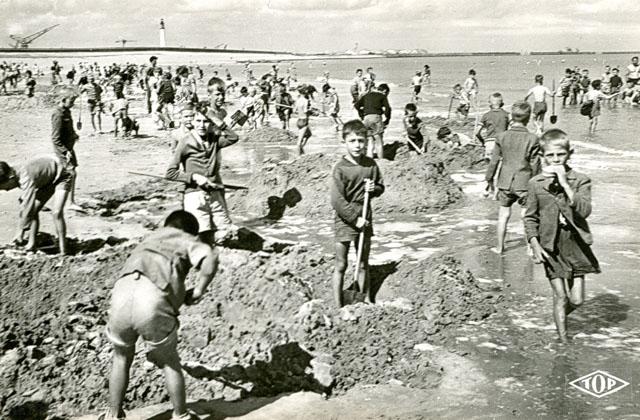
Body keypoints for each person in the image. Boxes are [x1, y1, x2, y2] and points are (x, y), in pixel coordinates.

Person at [103, 210, 218, 420]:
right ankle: (180, 415)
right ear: (191, 232)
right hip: (152, 299)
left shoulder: (150, 238)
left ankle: (113, 415)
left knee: (120, 358)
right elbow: (210, 257)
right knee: (169, 361)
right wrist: (200, 290)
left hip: (121, 294)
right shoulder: (186, 239)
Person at [524, 129, 599, 344]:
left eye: (561, 154)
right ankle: (563, 341)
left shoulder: (581, 180)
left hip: (575, 244)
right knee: (560, 296)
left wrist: (565, 184)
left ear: (570, 153)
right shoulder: (535, 183)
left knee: (577, 299)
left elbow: (584, 211)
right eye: (550, 155)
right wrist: (534, 243)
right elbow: (530, 217)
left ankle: (559, 319)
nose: (555, 159)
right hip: (550, 245)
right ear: (542, 156)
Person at [166, 80, 240, 244]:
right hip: (194, 178)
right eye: (217, 94)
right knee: (197, 222)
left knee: (221, 222)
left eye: (223, 94)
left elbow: (232, 135)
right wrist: (191, 177)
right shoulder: (190, 129)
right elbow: (173, 168)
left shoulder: (221, 113)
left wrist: (224, 121)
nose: (220, 97)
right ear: (209, 94)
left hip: (213, 165)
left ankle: (214, 234)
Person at [331, 120, 385, 307]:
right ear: (344, 141)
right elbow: (337, 201)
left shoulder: (371, 165)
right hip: (345, 220)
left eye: (361, 141)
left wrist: (375, 188)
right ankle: (338, 305)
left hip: (365, 216)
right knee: (341, 264)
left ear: (366, 142)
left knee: (363, 263)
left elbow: (380, 187)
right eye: (352, 141)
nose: (357, 145)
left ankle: (366, 299)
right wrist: (355, 219)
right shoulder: (340, 169)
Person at [485, 101, 540, 254]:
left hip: (505, 181)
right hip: (525, 182)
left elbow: (494, 161)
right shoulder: (533, 139)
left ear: (511, 117)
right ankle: (530, 248)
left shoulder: (501, 137)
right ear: (528, 119)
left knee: (503, 215)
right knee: (526, 216)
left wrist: (489, 179)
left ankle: (500, 247)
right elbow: (535, 165)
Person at [0, 156, 72, 254]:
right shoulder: (13, 172)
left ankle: (63, 251)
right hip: (46, 182)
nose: (6, 190)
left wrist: (20, 231)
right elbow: (26, 205)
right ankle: (31, 244)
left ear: (10, 178)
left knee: (57, 213)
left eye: (4, 188)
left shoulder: (25, 178)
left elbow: (28, 204)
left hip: (62, 176)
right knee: (32, 209)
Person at [51, 87, 83, 211]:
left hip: (69, 148)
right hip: (64, 149)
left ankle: (69, 201)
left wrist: (74, 134)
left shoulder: (66, 111)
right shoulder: (58, 114)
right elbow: (55, 138)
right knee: (70, 173)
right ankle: (70, 202)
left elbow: (68, 128)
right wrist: (65, 151)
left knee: (68, 174)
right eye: (71, 100)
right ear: (63, 100)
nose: (73, 103)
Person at [355, 83, 391, 159]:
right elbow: (388, 108)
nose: (387, 95)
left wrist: (362, 116)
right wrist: (387, 119)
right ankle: (381, 160)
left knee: (370, 140)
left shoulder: (366, 95)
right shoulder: (382, 96)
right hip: (376, 117)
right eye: (387, 93)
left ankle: (369, 159)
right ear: (384, 91)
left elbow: (356, 105)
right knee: (378, 140)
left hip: (366, 118)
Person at [475, 92, 509, 162]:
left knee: (489, 167)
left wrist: (482, 141)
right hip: (502, 142)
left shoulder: (486, 115)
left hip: (489, 142)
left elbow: (476, 132)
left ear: (490, 103)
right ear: (502, 103)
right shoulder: (506, 115)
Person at [294, 85, 314, 155]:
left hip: (299, 120)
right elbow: (305, 111)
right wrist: (311, 111)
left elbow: (294, 110)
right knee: (299, 142)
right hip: (304, 120)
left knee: (309, 134)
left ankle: (302, 148)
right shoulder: (305, 101)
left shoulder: (298, 100)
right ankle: (298, 155)